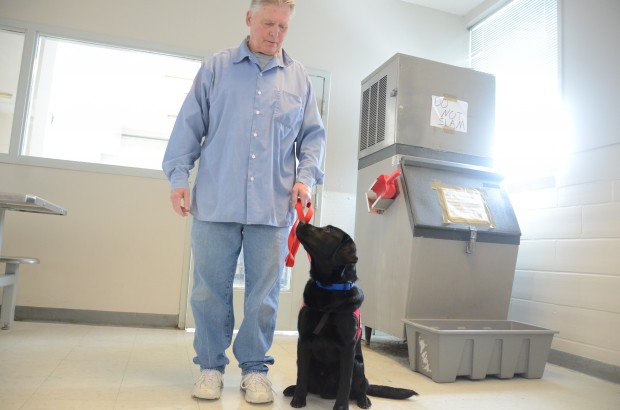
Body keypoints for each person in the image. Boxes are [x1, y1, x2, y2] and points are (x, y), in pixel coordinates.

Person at [162, 0, 325, 404]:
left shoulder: (299, 78)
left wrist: (305, 180)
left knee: (264, 296)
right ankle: (211, 368)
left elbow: (313, 139)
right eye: (268, 23)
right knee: (208, 291)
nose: (275, 33)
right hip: (216, 200)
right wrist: (179, 178)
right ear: (249, 19)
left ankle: (254, 370)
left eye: (283, 26)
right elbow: (188, 125)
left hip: (271, 207)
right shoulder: (216, 68)